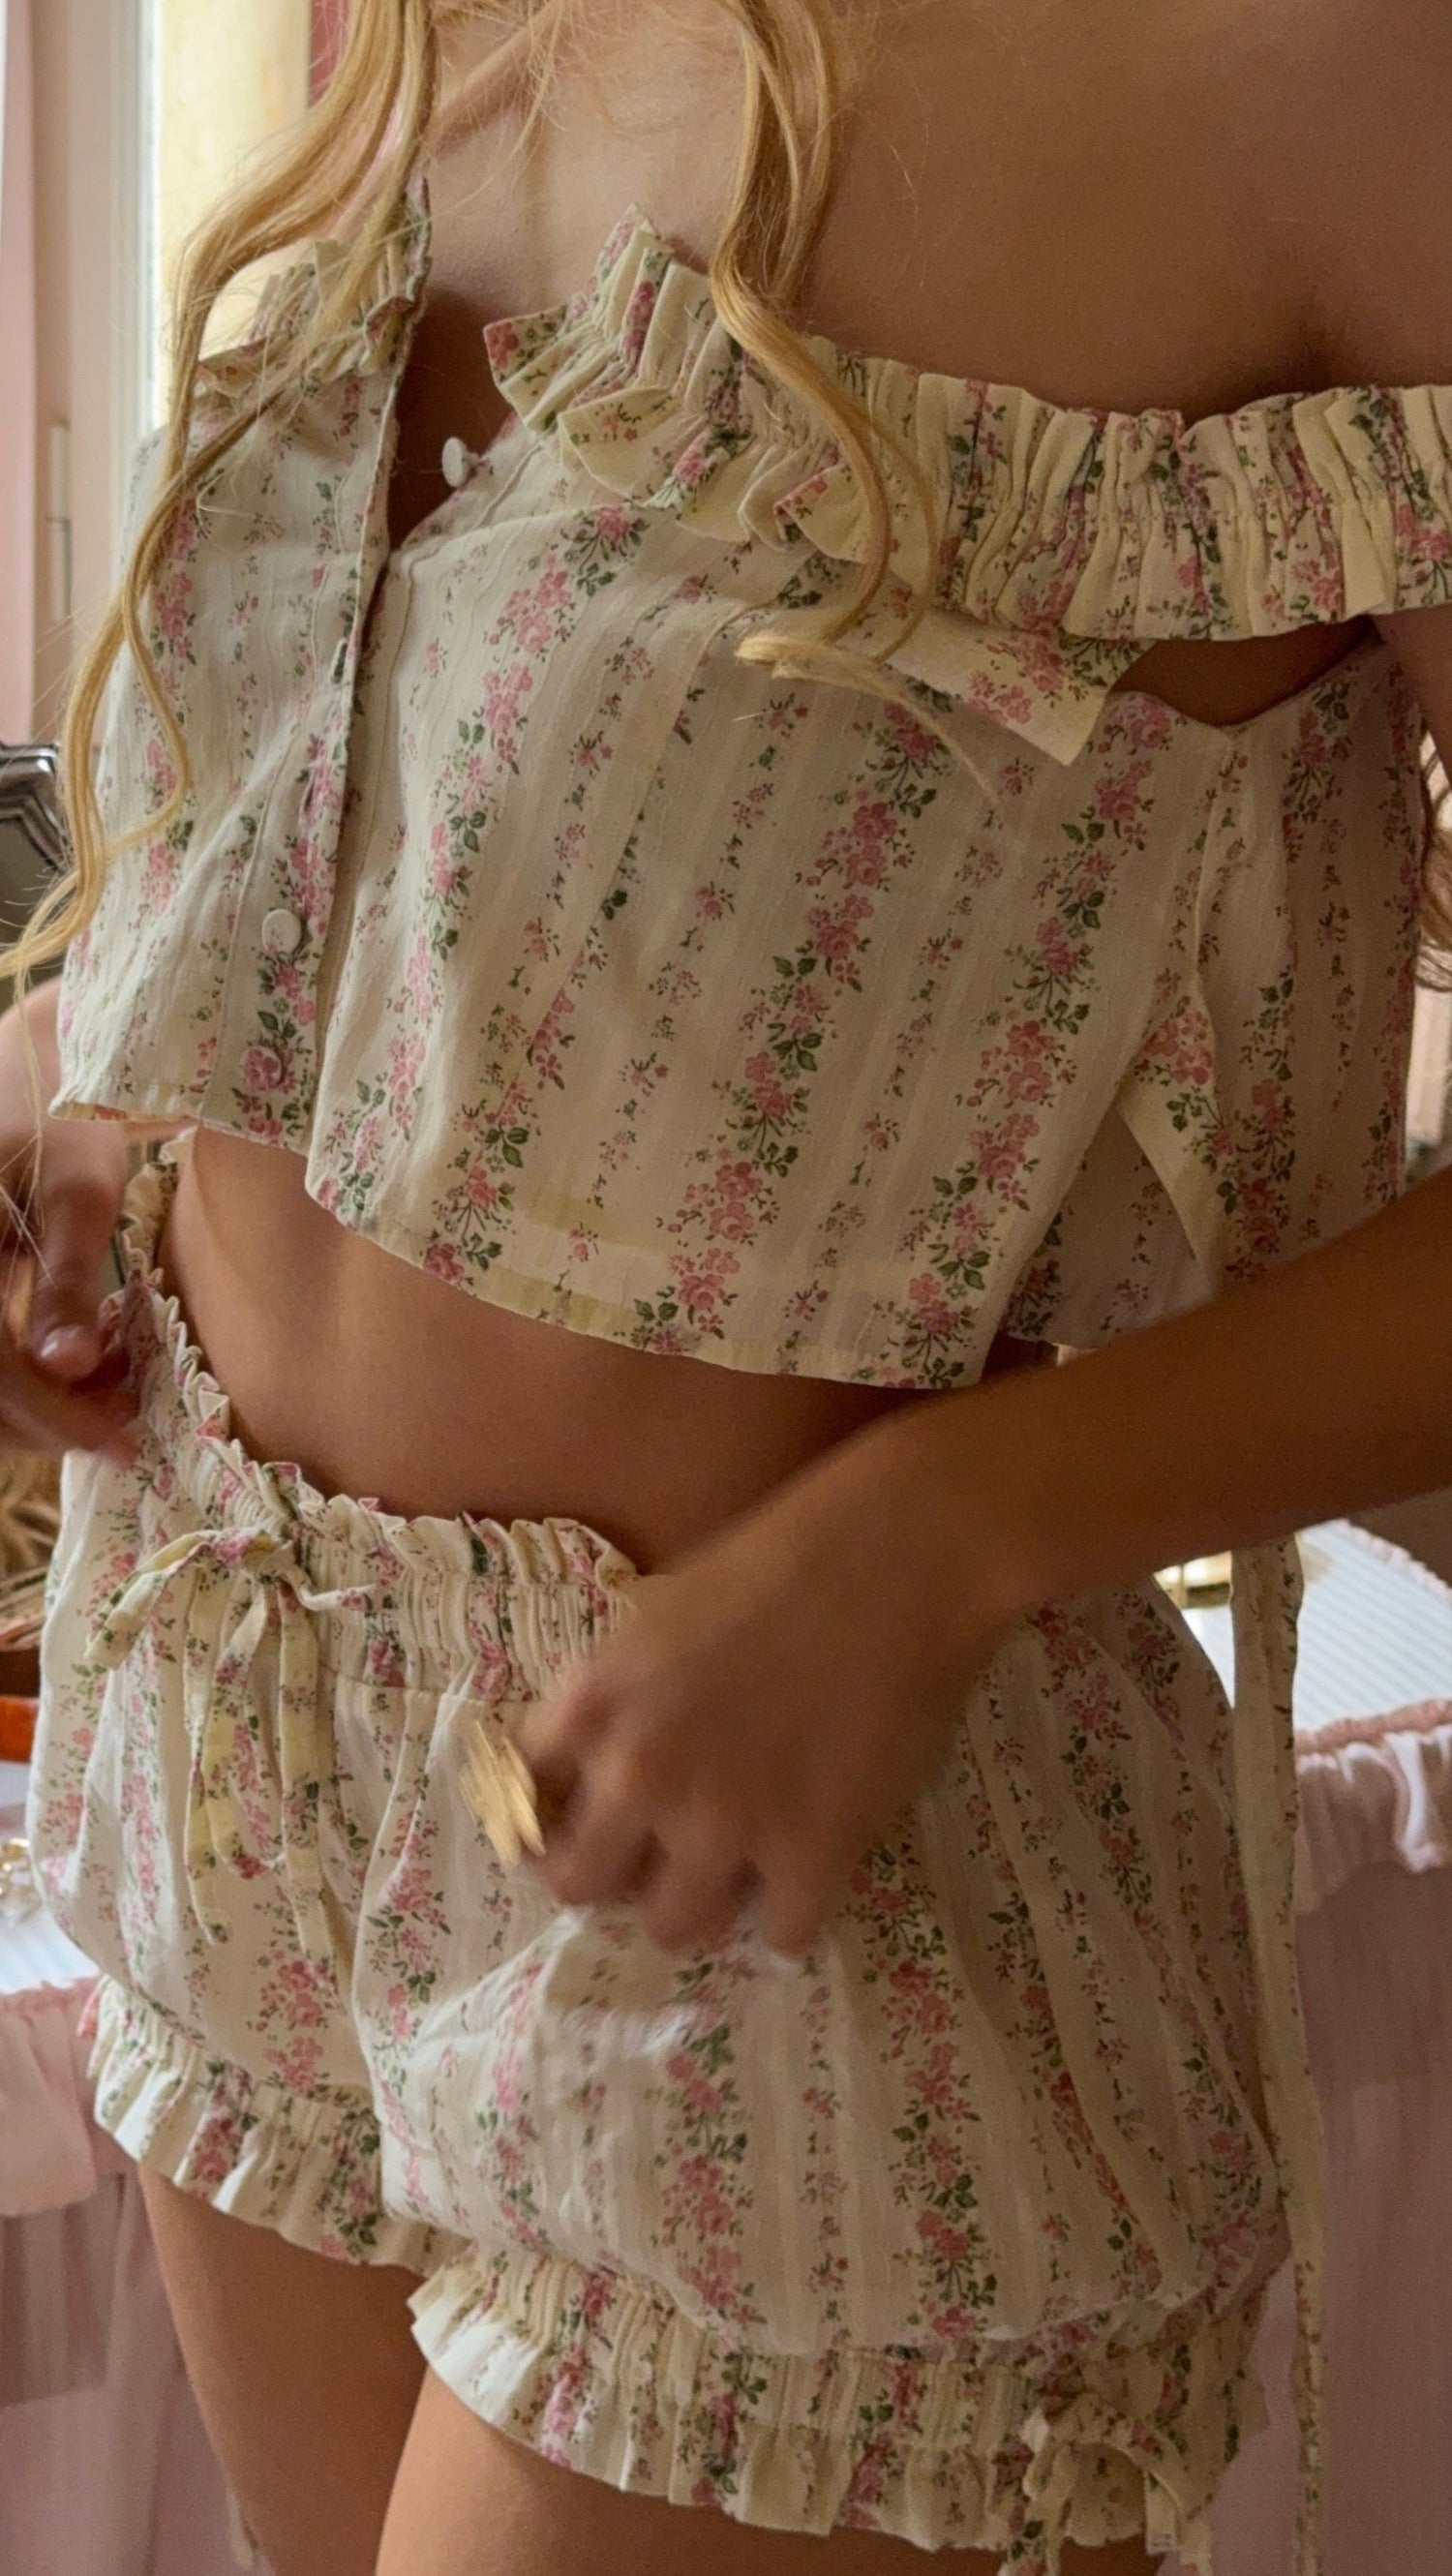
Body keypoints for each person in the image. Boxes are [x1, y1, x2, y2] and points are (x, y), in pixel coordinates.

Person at [5, 2, 1450, 2570]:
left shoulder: (1331, 75)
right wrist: (86, 1107)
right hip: (246, 1735)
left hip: (780, 1913)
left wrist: (939, 1536)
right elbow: (438, 860)